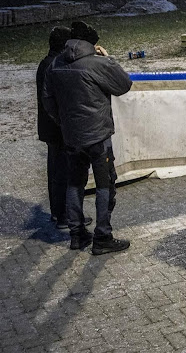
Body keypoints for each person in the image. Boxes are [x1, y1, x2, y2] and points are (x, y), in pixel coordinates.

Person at [42, 21, 133, 255]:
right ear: (91, 44)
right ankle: (103, 236)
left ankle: (77, 234)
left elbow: (48, 100)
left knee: (75, 183)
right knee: (105, 185)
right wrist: (109, 58)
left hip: (71, 137)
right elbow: (124, 84)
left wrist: (64, 122)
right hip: (98, 136)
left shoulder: (55, 64)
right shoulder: (98, 63)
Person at [36, 26, 93, 230]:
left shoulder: (46, 63)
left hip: (50, 127)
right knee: (64, 173)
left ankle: (57, 212)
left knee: (55, 171)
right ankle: (64, 216)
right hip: (59, 128)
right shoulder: (55, 65)